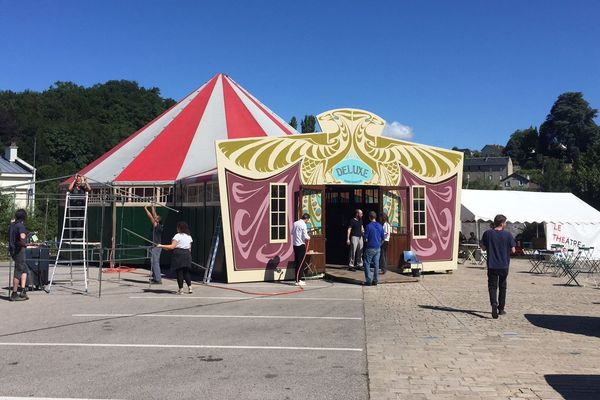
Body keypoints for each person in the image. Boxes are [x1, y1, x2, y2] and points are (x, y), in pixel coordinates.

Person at [480, 214, 516, 319]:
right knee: (503, 286)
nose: (506, 224)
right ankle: (501, 308)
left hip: (492, 264)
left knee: (492, 286)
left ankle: (493, 304)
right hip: (504, 265)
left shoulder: (487, 233)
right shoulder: (508, 235)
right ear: (502, 223)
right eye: (505, 222)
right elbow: (513, 250)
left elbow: (483, 248)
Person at [158, 221, 193, 295]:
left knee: (179, 272)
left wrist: (161, 245)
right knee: (186, 272)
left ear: (179, 228)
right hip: (187, 254)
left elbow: (172, 246)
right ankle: (190, 288)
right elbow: (190, 249)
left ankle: (181, 290)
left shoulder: (177, 236)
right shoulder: (189, 237)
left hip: (178, 255)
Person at [8, 209, 29, 301]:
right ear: (24, 217)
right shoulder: (21, 226)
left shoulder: (12, 225)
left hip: (13, 249)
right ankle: (14, 293)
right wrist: (25, 244)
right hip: (19, 250)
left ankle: (23, 291)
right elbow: (22, 237)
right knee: (18, 271)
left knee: (24, 269)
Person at [67, 173, 91, 240]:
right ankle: (74, 236)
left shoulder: (83, 188)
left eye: (80, 180)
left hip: (81, 206)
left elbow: (89, 189)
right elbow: (69, 189)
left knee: (80, 222)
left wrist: (86, 181)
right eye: (78, 180)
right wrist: (74, 180)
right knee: (74, 222)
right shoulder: (73, 187)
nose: (79, 181)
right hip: (74, 207)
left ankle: (79, 235)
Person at [363, 211, 385, 286]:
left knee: (366, 263)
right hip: (377, 247)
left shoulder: (368, 226)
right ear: (375, 217)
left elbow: (365, 239)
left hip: (370, 247)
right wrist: (379, 245)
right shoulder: (380, 226)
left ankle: (368, 280)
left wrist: (363, 233)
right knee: (376, 264)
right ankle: (375, 280)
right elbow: (383, 238)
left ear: (369, 217)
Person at [144, 205, 163, 284]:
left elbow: (151, 217)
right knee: (154, 262)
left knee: (155, 262)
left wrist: (145, 209)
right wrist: (152, 207)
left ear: (158, 220)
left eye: (156, 218)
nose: (155, 217)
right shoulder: (158, 225)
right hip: (156, 246)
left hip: (156, 246)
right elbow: (154, 215)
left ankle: (158, 279)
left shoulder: (157, 226)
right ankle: (155, 278)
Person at [292, 213, 311, 286]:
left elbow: (292, 232)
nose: (307, 221)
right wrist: (309, 237)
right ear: (306, 219)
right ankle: (298, 280)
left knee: (297, 262)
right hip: (301, 245)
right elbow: (305, 236)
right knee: (301, 263)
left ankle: (297, 279)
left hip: (295, 245)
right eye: (307, 220)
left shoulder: (295, 223)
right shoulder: (303, 224)